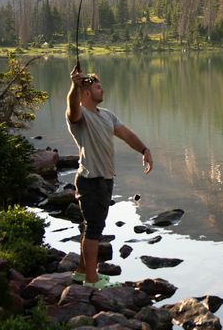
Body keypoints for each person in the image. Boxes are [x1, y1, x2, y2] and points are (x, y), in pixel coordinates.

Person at [66, 64, 153, 289]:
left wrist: (145, 150)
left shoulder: (107, 115)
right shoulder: (80, 116)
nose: (102, 90)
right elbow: (71, 109)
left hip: (105, 179)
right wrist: (73, 86)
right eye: (97, 87)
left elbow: (126, 135)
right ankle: (92, 280)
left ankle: (81, 272)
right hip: (91, 179)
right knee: (94, 228)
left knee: (89, 227)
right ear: (86, 93)